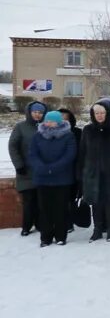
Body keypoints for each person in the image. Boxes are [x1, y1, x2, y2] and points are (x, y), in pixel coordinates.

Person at [78, 99, 110, 243]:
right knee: (96, 203)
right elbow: (82, 152)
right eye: (96, 113)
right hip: (92, 173)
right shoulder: (88, 130)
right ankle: (97, 230)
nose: (99, 115)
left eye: (102, 113)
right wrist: (81, 171)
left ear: (107, 113)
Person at [28, 111, 77, 247]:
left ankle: (61, 236)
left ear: (59, 122)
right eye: (47, 121)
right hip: (42, 178)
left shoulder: (68, 136)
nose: (48, 123)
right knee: (44, 209)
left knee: (60, 209)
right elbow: (32, 154)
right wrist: (42, 167)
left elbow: (70, 155)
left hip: (62, 179)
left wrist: (53, 168)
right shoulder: (38, 136)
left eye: (52, 121)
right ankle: (46, 237)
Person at [9, 101, 46, 236]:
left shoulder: (45, 127)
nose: (38, 115)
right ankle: (26, 226)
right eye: (35, 112)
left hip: (42, 171)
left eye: (40, 112)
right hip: (26, 171)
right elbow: (13, 146)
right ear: (30, 113)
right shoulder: (21, 127)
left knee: (41, 201)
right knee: (29, 201)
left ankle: (40, 223)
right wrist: (19, 165)